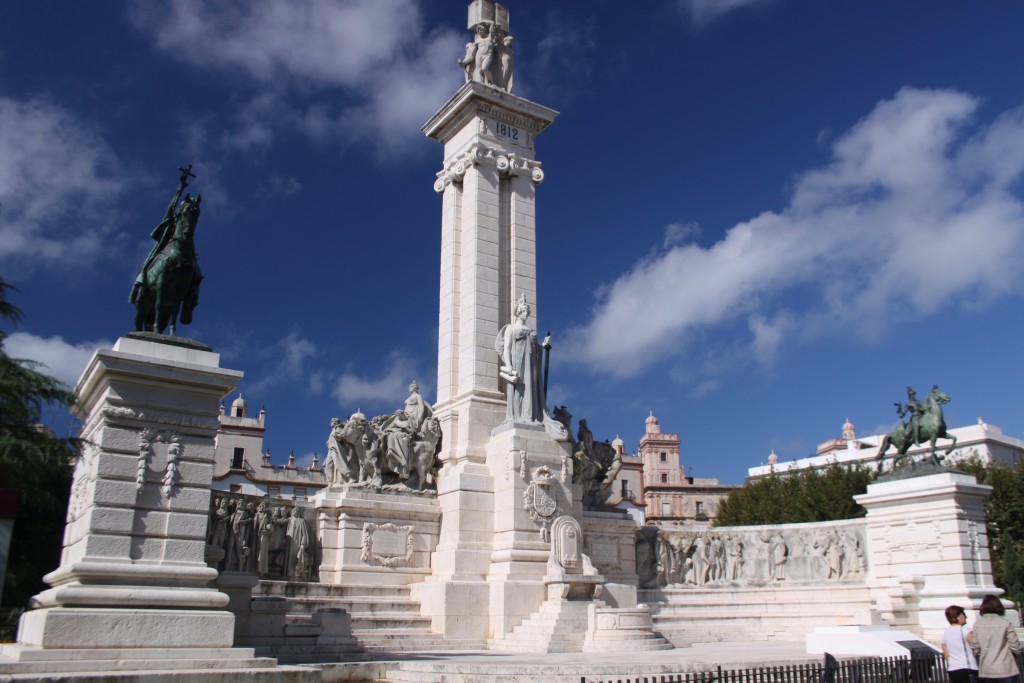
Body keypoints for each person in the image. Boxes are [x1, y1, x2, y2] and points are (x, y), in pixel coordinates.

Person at [970, 595, 1022, 683]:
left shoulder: (977, 624)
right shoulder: (1005, 623)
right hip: (1005, 669)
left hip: (986, 670)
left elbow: (975, 648)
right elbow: (1015, 647)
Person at [940, 604, 979, 683]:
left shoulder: (944, 634)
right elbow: (976, 648)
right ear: (958, 616)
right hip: (969, 668)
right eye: (963, 614)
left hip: (953, 669)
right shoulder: (966, 631)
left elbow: (947, 656)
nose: (966, 617)